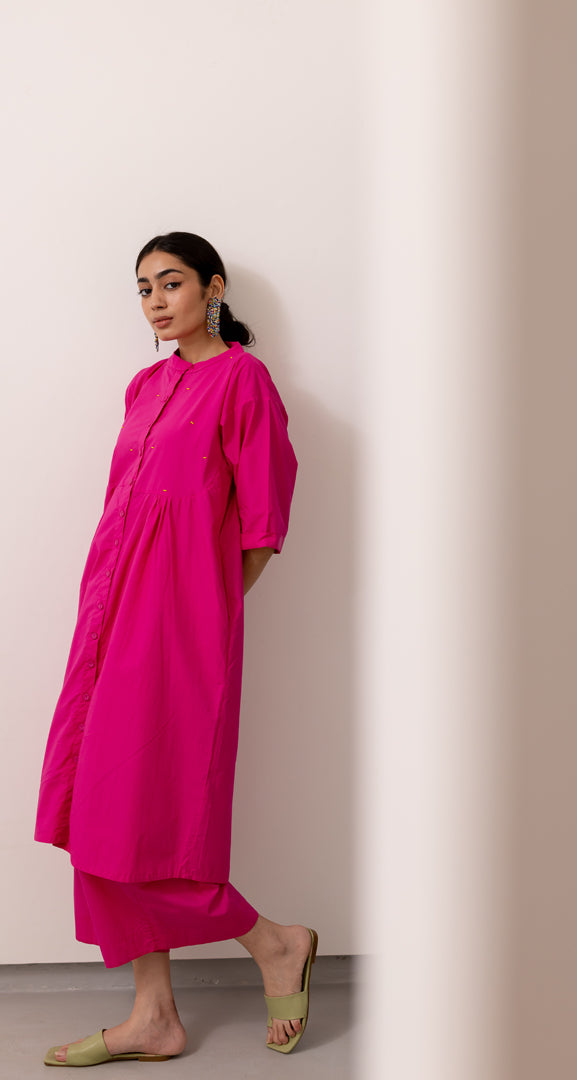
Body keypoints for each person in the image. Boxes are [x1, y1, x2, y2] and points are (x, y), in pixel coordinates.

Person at [34, 232, 317, 1067]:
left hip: (179, 627)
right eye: (143, 289)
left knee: (148, 811)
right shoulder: (145, 385)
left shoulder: (242, 381)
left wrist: (204, 612)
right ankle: (153, 1014)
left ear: (213, 289)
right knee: (97, 812)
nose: (156, 301)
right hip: (109, 616)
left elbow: (262, 524)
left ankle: (273, 941)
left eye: (171, 283)